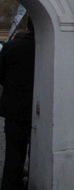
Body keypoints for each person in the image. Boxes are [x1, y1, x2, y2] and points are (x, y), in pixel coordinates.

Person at [0, 18, 35, 190]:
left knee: (13, 154)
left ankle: (9, 185)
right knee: (37, 152)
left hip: (14, 108)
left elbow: (1, 75)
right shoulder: (47, 47)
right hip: (40, 109)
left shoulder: (12, 47)